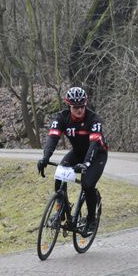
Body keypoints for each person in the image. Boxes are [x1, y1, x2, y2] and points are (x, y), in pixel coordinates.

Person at [37, 86, 108, 234]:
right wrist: (45, 157)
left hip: (96, 155)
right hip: (77, 152)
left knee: (87, 185)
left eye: (82, 106)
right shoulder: (62, 117)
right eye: (75, 107)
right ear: (69, 106)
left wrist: (86, 164)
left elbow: (94, 143)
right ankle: (61, 209)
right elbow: (53, 137)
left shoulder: (93, 119)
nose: (79, 110)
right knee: (59, 173)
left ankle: (91, 220)